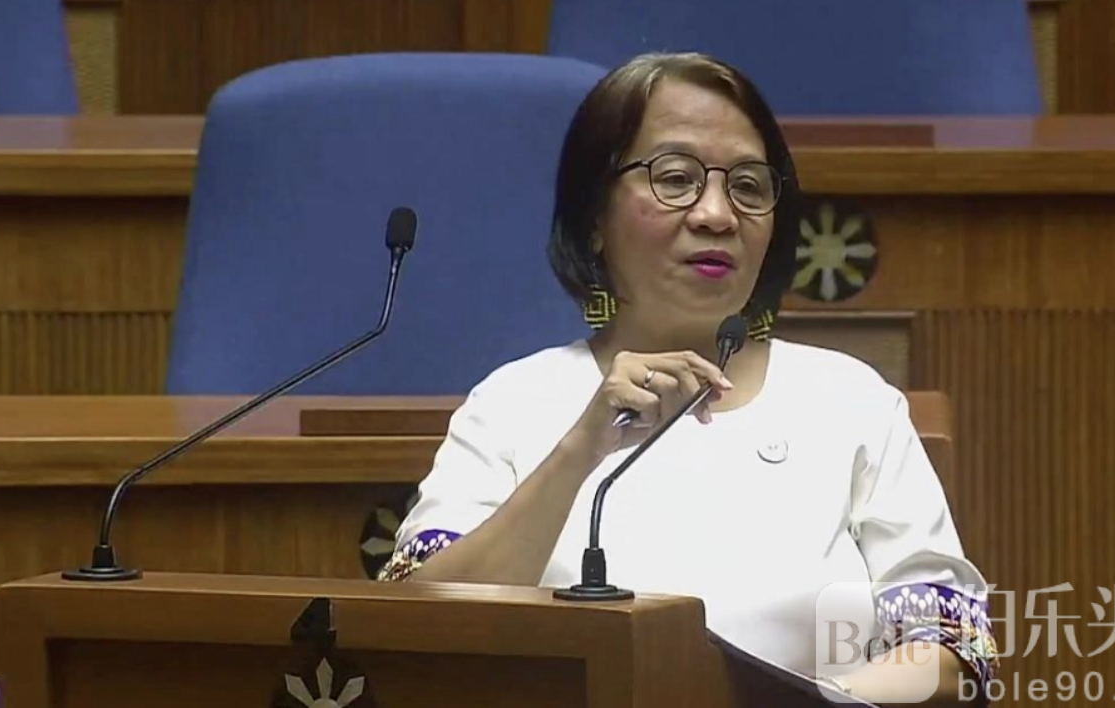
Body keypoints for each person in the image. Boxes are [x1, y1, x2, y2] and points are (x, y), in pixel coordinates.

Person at [377, 52, 998, 705]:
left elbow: (953, 650)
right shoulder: (513, 402)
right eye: (675, 178)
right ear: (593, 217)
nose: (716, 214)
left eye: (749, 187)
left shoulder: (850, 402)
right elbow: (421, 635)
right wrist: (579, 449)